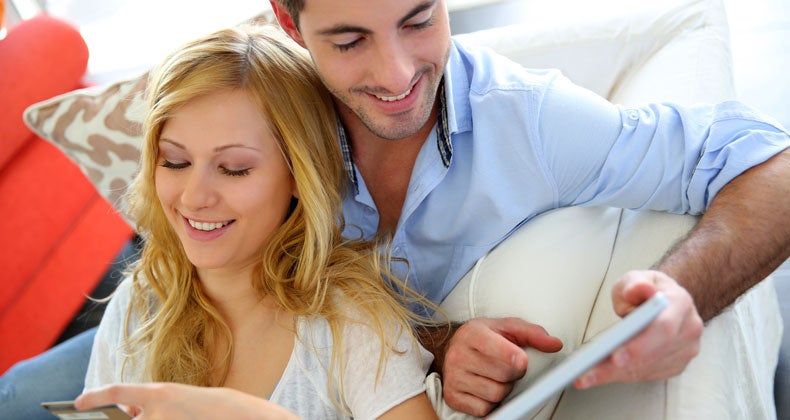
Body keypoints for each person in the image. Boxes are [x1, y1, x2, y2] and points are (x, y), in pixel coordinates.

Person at [2, 0, 788, 418]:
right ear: (288, 20)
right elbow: (192, 208)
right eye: (349, 42)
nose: (399, 72)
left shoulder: (529, 121)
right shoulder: (267, 109)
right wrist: (438, 341)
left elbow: (772, 164)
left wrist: (683, 293)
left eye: (420, 19)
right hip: (180, 306)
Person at [74, 24, 444, 419]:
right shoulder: (138, 304)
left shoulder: (349, 322)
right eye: (175, 161)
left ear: (299, 176)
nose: (194, 197)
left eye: (234, 169)